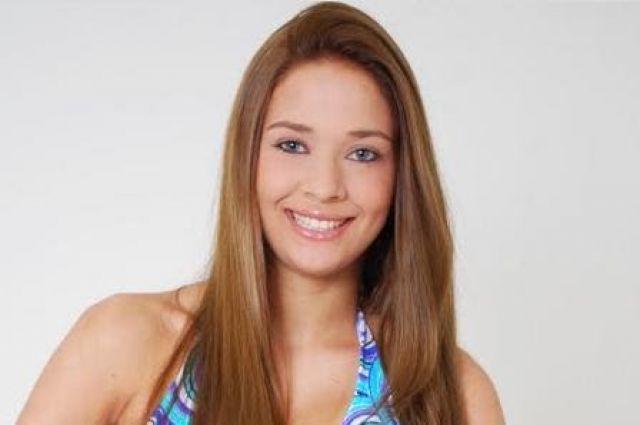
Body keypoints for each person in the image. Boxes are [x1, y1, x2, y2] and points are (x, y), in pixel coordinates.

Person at [18, 2, 505, 424]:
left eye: (363, 153)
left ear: (402, 176)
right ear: (247, 155)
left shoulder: (454, 393)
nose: (324, 187)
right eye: (292, 145)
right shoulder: (127, 343)